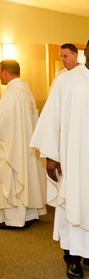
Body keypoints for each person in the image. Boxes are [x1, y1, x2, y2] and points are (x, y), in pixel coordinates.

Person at [30, 35, 89, 279]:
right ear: (85, 51)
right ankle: (72, 258)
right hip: (73, 158)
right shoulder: (65, 81)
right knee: (74, 202)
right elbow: (52, 118)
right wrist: (50, 156)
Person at [0, 60, 47, 229]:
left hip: (14, 145)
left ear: (5, 72)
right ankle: (30, 214)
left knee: (14, 177)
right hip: (26, 144)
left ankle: (15, 219)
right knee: (28, 177)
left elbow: (3, 121)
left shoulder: (11, 93)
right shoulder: (27, 92)